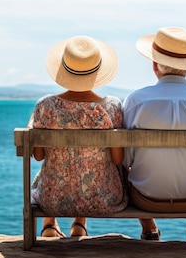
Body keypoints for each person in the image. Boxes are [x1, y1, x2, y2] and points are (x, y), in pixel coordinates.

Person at [122, 26, 186, 242]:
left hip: (146, 199)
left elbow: (126, 158)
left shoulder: (136, 101)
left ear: (154, 65)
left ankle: (149, 229)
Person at [28, 35, 128, 238]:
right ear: (97, 71)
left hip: (52, 199)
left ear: (64, 69)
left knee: (52, 173)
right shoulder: (112, 106)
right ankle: (79, 223)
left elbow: (38, 155)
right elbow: (118, 159)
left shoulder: (45, 106)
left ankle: (49, 223)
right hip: (102, 199)